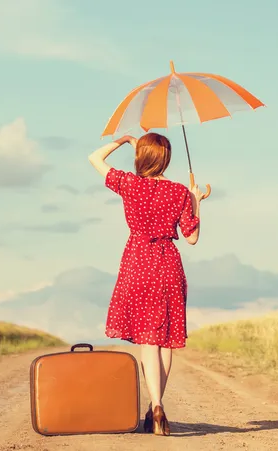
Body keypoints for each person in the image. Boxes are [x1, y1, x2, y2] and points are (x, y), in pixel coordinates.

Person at [88, 132, 203, 436]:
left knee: (147, 340)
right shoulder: (179, 192)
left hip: (138, 262)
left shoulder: (129, 184)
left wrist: (125, 141)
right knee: (165, 339)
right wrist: (195, 201)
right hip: (168, 264)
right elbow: (191, 237)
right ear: (166, 158)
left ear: (142, 157)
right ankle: (157, 406)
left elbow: (94, 158)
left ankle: (156, 406)